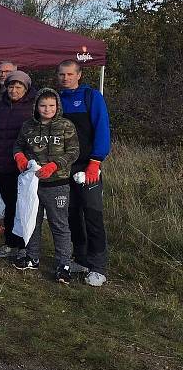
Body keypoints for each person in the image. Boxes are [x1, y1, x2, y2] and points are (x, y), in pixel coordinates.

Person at [12, 88, 80, 284]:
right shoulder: (28, 126)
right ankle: (32, 257)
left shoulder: (66, 126)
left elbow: (74, 151)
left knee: (59, 224)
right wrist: (19, 156)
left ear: (57, 106)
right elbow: (18, 145)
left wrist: (54, 165)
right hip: (33, 183)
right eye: (43, 105)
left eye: (51, 105)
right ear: (36, 107)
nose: (47, 109)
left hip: (57, 183)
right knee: (32, 220)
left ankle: (63, 264)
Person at [57, 60, 111, 287]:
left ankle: (98, 265)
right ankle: (80, 258)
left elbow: (102, 128)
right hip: (63, 167)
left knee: (92, 213)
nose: (65, 78)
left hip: (87, 165)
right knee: (71, 214)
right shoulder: (56, 100)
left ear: (78, 75)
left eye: (70, 74)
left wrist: (95, 162)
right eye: (61, 75)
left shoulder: (91, 96)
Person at [0, 71, 36, 260]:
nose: (14, 90)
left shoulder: (32, 108)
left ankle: (25, 245)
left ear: (26, 89)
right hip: (3, 163)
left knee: (24, 205)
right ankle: (10, 242)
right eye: (11, 86)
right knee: (9, 204)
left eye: (18, 87)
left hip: (24, 166)